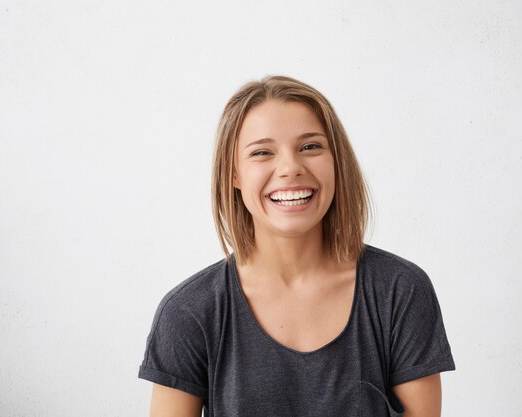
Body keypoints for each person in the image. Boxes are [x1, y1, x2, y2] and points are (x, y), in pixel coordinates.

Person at [138, 75, 456, 417]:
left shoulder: (400, 291)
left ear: (337, 161)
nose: (290, 168)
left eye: (311, 147)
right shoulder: (188, 313)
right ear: (233, 174)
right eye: (262, 152)